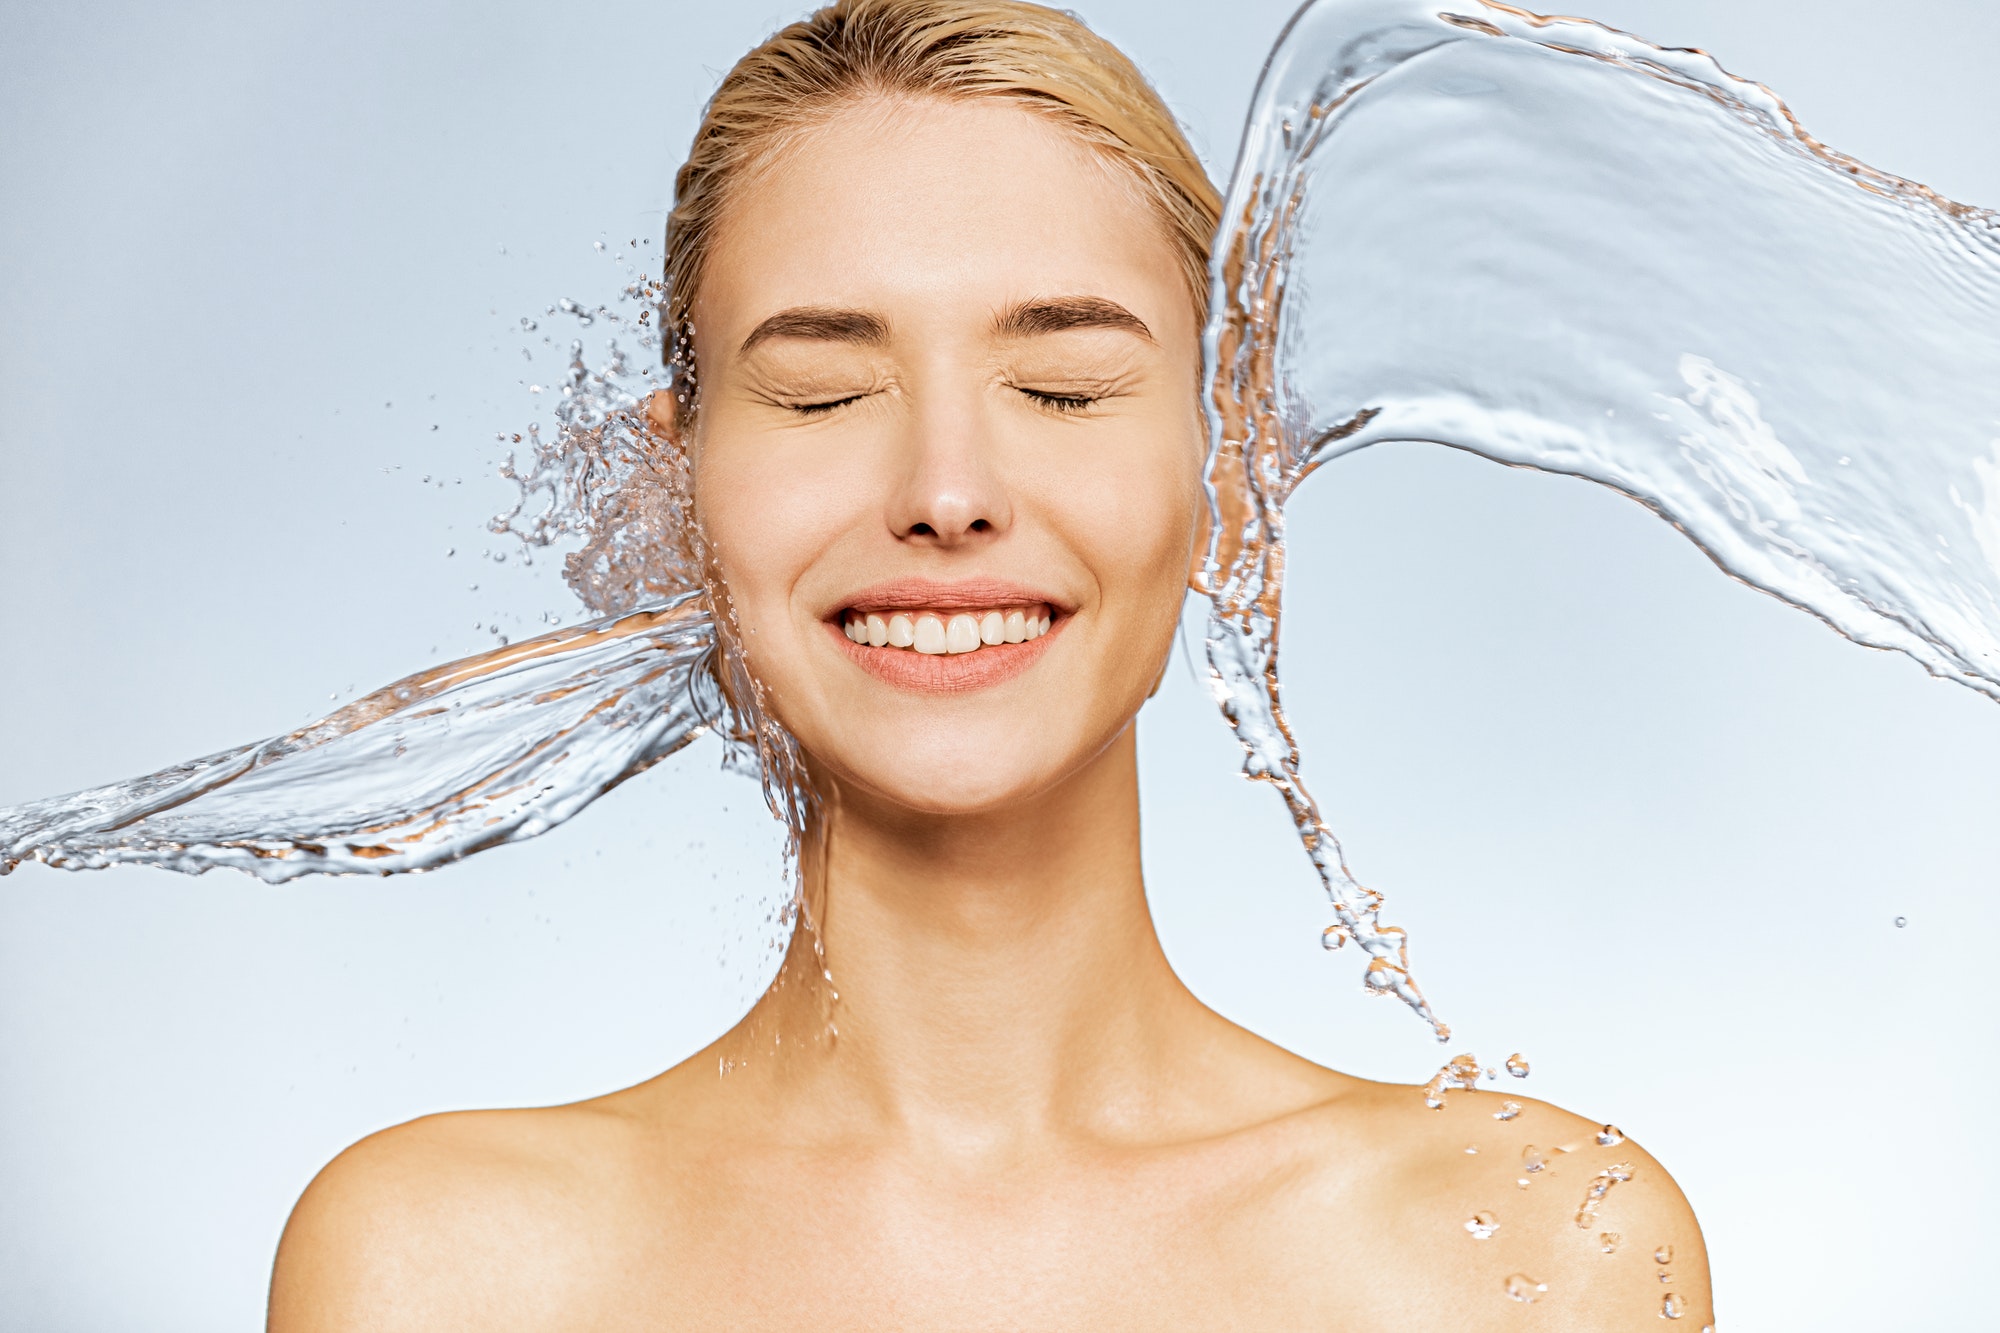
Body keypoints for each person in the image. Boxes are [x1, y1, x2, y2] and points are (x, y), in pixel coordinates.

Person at [267, 2, 1710, 1326]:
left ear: (1235, 478)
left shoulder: (1526, 1259)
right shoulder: (440, 1267)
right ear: (674, 498)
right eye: (824, 390)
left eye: (1062, 387)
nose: (947, 490)